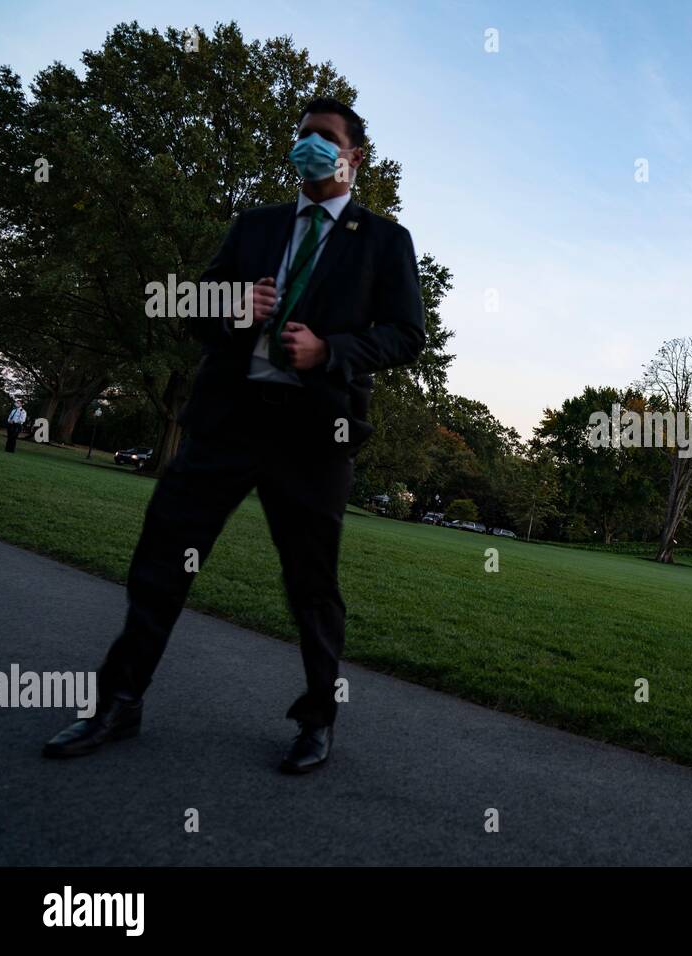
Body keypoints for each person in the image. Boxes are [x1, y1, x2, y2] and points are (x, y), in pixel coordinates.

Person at [42, 97, 425, 773]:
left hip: (314, 435)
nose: (310, 145)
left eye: (325, 137)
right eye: (303, 135)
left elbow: (405, 335)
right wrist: (232, 307)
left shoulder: (385, 241)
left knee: (311, 584)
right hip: (226, 423)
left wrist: (330, 351)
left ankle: (316, 720)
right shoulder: (256, 226)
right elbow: (193, 309)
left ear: (353, 156)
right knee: (162, 563)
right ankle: (118, 703)